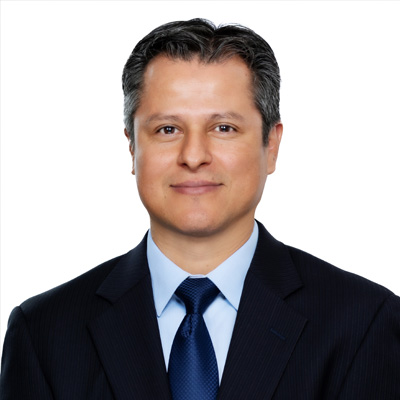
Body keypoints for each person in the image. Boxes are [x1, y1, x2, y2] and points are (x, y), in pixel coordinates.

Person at [1, 18, 399, 399]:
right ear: (132, 148)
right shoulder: (44, 333)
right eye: (167, 129)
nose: (193, 156)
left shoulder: (364, 322)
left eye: (224, 128)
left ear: (271, 145)